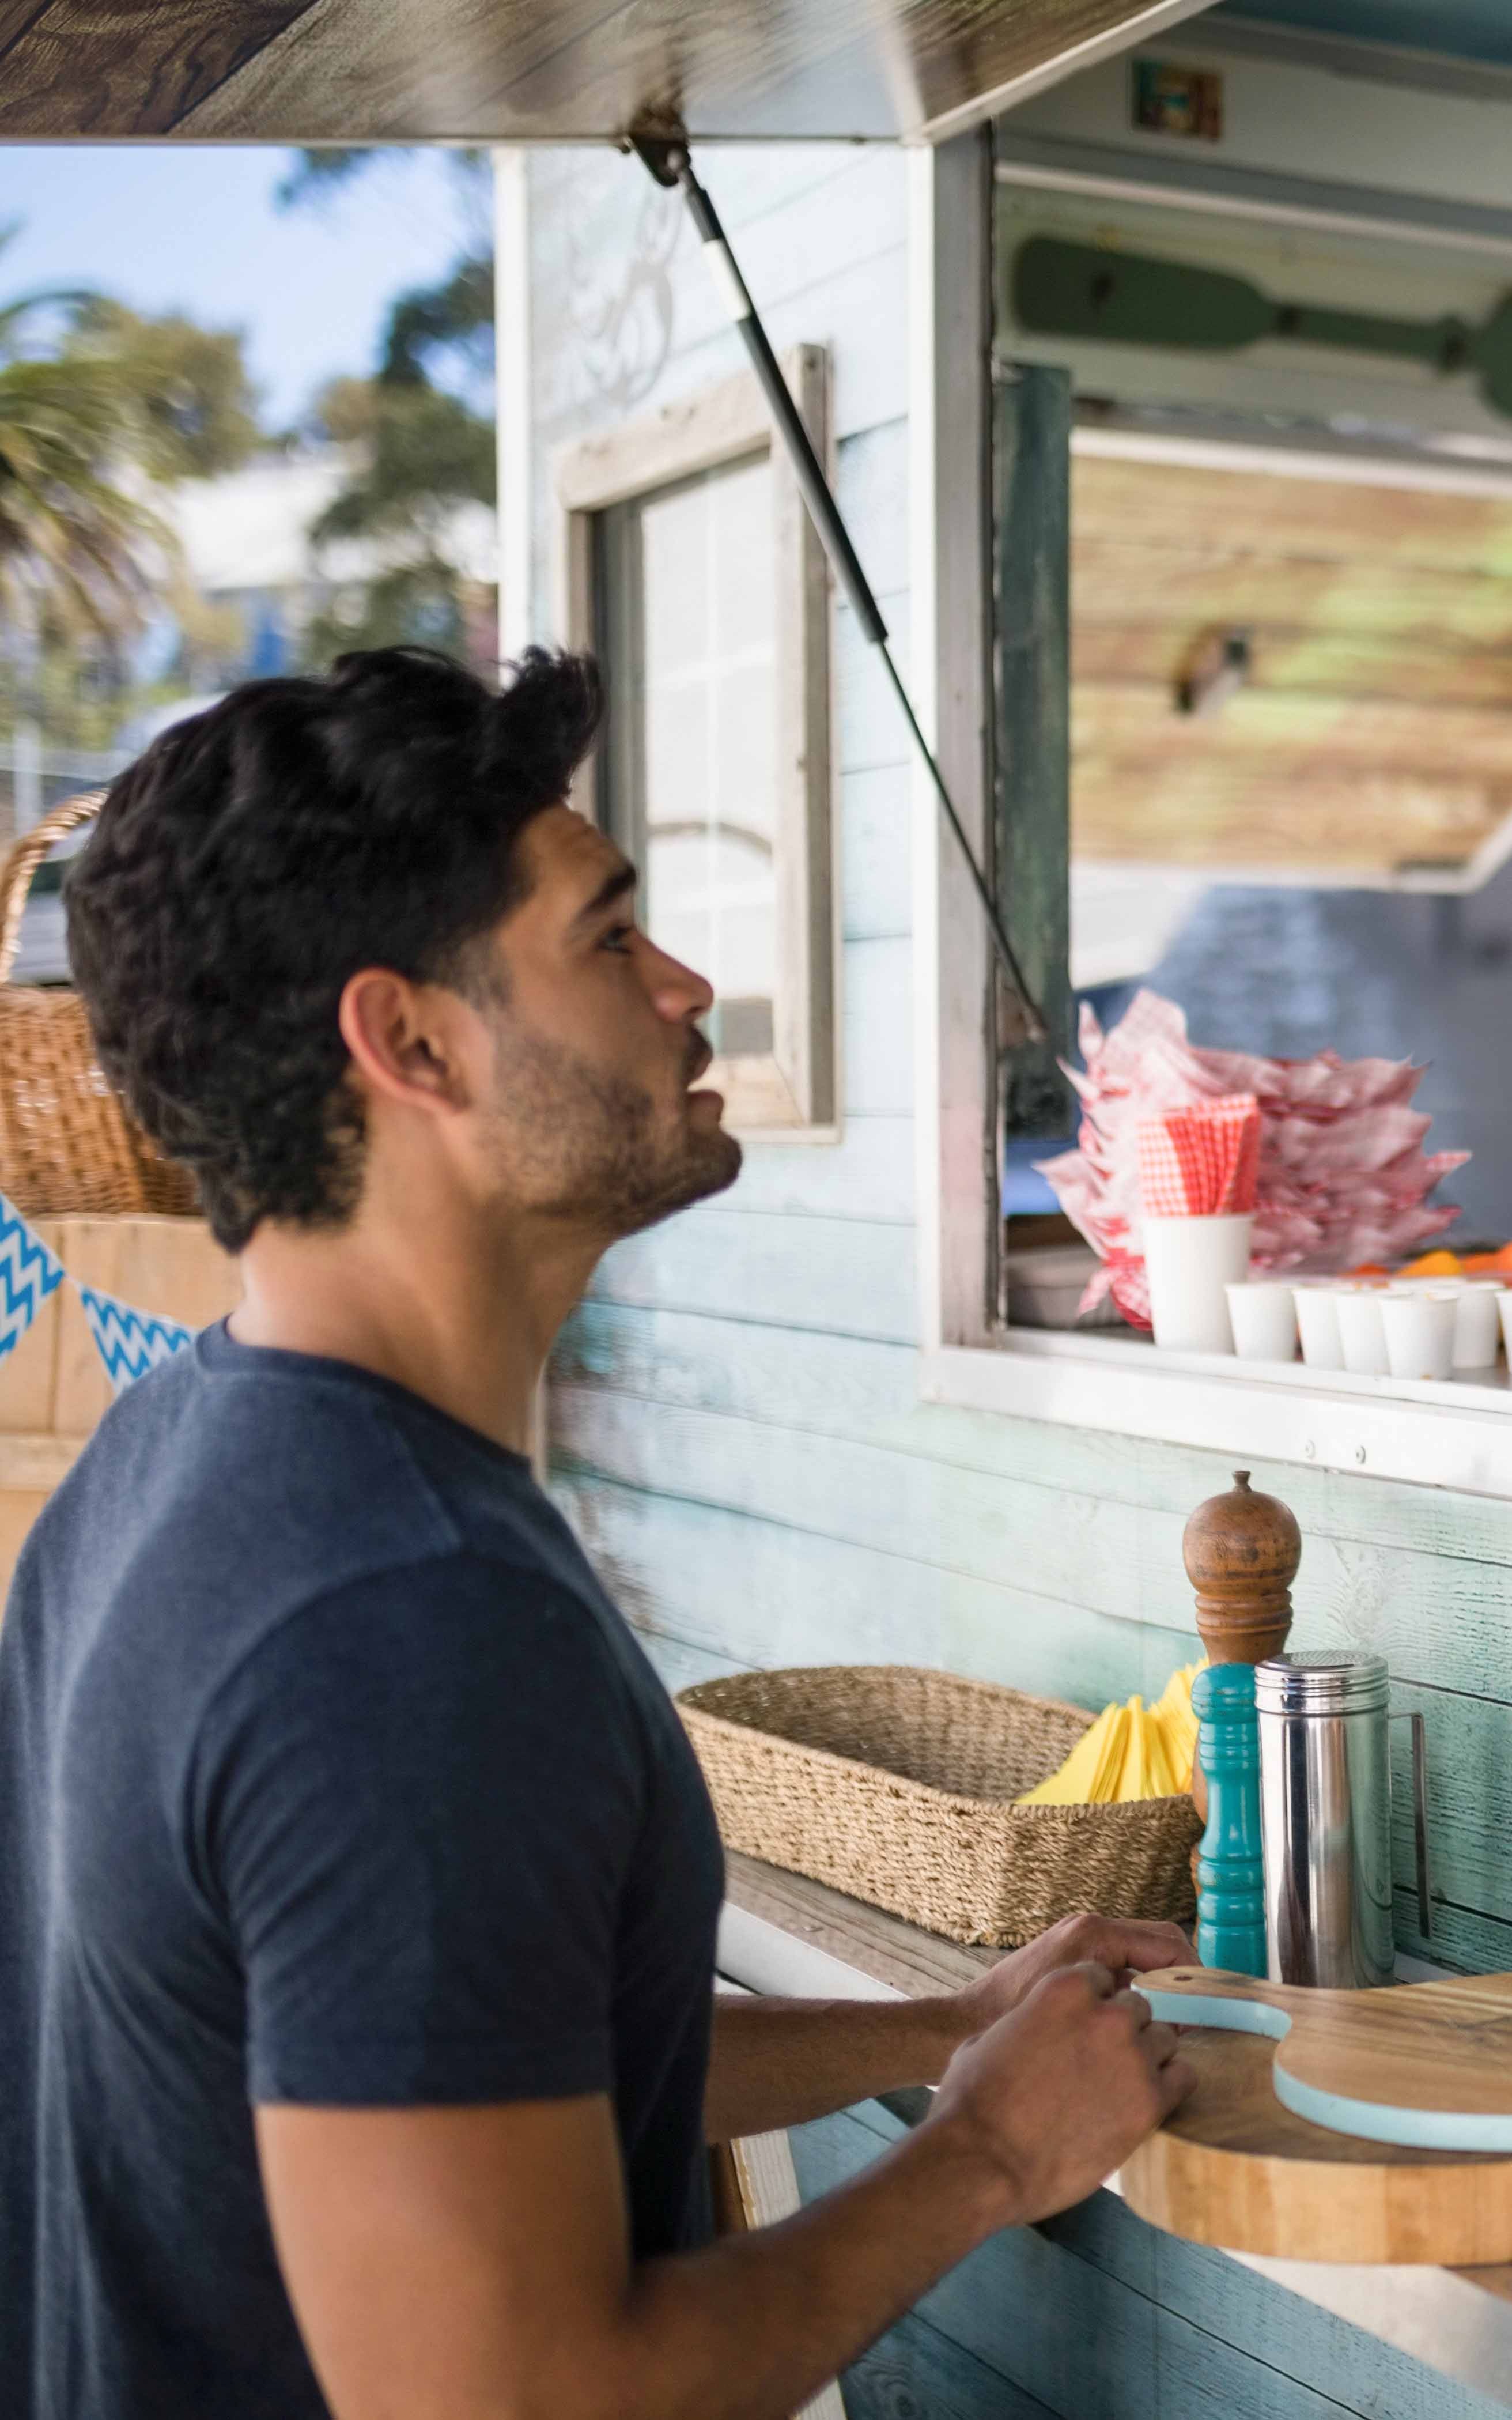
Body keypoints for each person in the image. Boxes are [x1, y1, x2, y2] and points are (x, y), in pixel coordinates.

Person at [1, 649, 1193, 2420]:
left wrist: (946, 2033)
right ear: (410, 1042)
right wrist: (991, 2161)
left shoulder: (172, 1465)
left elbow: (465, 2064)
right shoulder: (403, 1616)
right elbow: (516, 2397)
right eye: (610, 938)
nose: (689, 985)